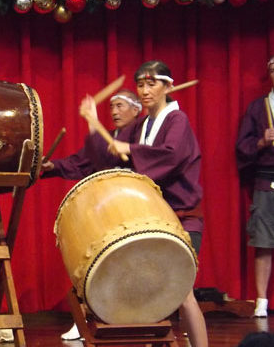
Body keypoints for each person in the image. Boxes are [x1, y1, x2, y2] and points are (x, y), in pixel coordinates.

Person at [84, 60, 208, 347]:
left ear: (168, 86)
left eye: (152, 83)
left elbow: (171, 156)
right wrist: (93, 123)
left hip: (181, 217)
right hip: (151, 218)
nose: (144, 90)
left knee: (182, 294)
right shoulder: (142, 125)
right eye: (140, 84)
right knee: (151, 295)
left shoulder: (178, 121)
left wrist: (130, 148)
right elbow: (108, 158)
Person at [40, 89, 141, 341]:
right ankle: (89, 317)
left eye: (120, 105)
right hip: (108, 211)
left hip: (132, 210)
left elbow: (105, 157)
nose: (115, 111)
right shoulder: (114, 136)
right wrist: (52, 167)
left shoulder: (140, 133)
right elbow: (83, 161)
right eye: (112, 107)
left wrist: (93, 123)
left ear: (136, 109)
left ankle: (107, 317)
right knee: (94, 264)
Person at [236, 54, 274, 318]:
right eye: (273, 70)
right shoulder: (257, 108)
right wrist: (262, 142)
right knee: (263, 241)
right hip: (267, 179)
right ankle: (261, 299)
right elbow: (242, 147)